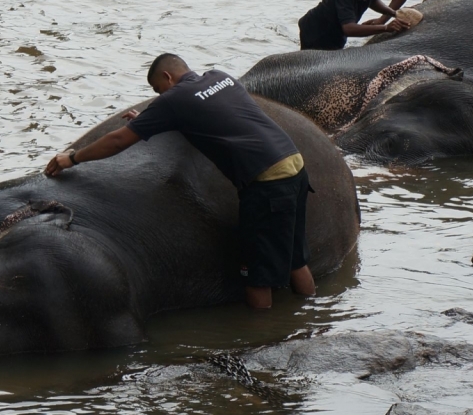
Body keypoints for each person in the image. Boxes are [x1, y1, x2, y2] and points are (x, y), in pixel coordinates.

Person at [44, 54, 316, 309]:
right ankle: (311, 314)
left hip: (266, 182)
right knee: (295, 260)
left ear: (167, 76)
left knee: (255, 273)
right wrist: (153, 120)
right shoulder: (220, 77)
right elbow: (213, 114)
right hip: (294, 165)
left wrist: (74, 157)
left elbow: (118, 140)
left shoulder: (173, 99)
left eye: (157, 88)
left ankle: (266, 340)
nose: (158, 94)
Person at [298, 0, 409, 51]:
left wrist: (393, 13)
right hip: (316, 32)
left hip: (337, 32)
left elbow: (372, 0)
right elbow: (349, 28)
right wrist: (385, 28)